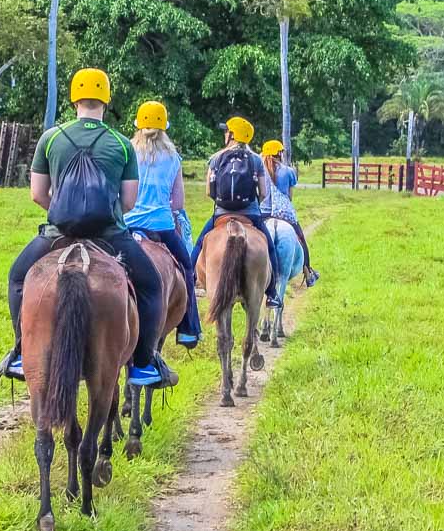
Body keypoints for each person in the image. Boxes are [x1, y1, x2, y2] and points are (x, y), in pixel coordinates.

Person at [0, 68, 171, 388]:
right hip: (110, 235)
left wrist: (62, 214)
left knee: (18, 278)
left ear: (74, 98)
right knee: (151, 287)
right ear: (106, 100)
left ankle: (22, 352)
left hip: (58, 234)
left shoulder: (50, 138)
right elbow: (129, 201)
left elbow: (37, 193)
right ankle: (144, 364)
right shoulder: (122, 144)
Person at [125, 101, 201, 348]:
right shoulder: (173, 158)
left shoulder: (126, 151)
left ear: (138, 126)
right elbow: (178, 202)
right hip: (161, 228)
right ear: (164, 128)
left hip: (126, 226)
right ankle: (189, 328)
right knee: (187, 268)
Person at [190, 116, 279, 302]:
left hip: (222, 213)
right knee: (270, 248)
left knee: (199, 244)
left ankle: (190, 279)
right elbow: (263, 192)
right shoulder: (256, 160)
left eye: (226, 131)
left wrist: (222, 203)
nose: (224, 133)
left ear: (232, 135)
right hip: (251, 214)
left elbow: (208, 191)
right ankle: (272, 293)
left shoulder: (216, 158)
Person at [261, 139, 320, 288]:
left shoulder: (259, 170)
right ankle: (308, 273)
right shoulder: (288, 171)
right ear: (279, 153)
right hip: (284, 214)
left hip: (263, 213)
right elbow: (290, 197)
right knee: (301, 239)